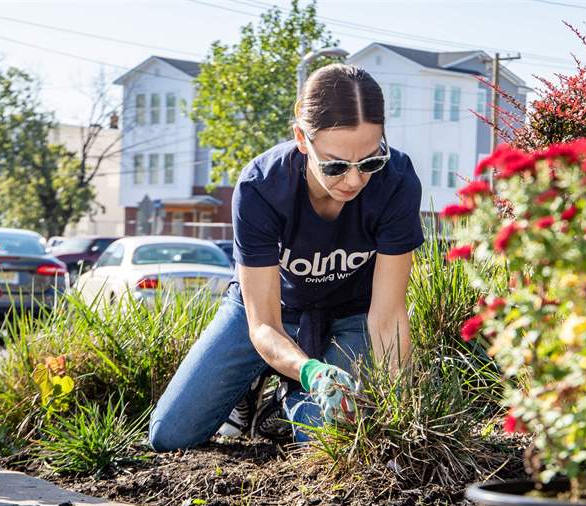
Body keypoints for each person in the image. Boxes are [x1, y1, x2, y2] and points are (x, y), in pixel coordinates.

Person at [148, 64, 424, 450]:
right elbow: (262, 325)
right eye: (335, 165)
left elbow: (388, 315)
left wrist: (403, 413)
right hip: (270, 313)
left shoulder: (397, 181)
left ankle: (287, 398)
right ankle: (253, 384)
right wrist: (309, 370)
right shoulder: (260, 187)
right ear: (301, 138)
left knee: (323, 437)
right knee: (170, 435)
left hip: (351, 317)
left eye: (370, 161)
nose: (354, 180)